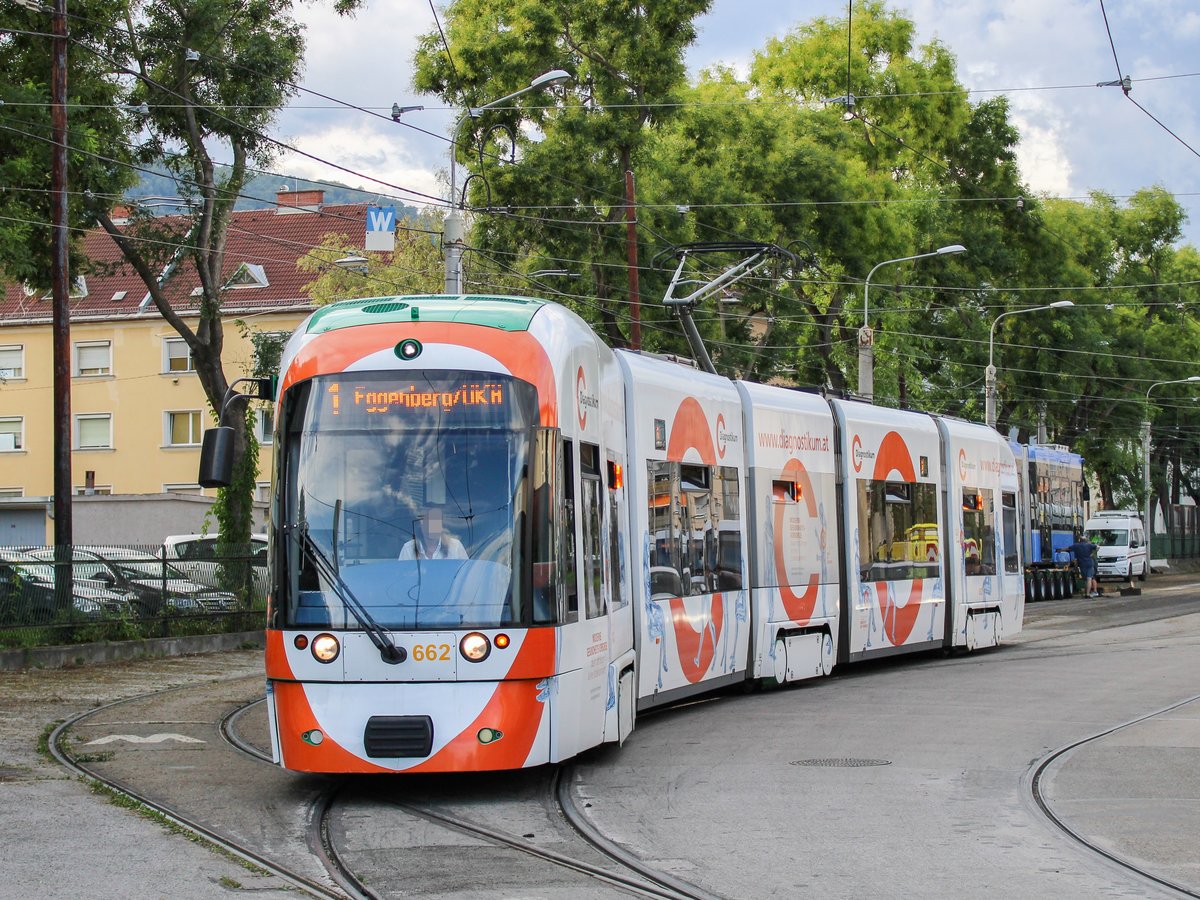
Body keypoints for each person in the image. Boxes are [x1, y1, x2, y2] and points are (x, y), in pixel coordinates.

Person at [399, 506, 468, 560]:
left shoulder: (455, 547)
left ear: (441, 524)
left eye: (435, 521)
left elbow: (467, 574)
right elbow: (401, 576)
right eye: (427, 521)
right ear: (421, 524)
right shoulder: (408, 549)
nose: (431, 525)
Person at [1067, 531, 1099, 597]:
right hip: (1090, 563)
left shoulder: (1077, 545)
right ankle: (1089, 593)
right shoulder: (1090, 545)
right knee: (1090, 578)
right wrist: (1093, 553)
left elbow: (1068, 548)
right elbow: (1098, 547)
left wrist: (1060, 550)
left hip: (1082, 564)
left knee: (1086, 579)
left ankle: (1088, 592)